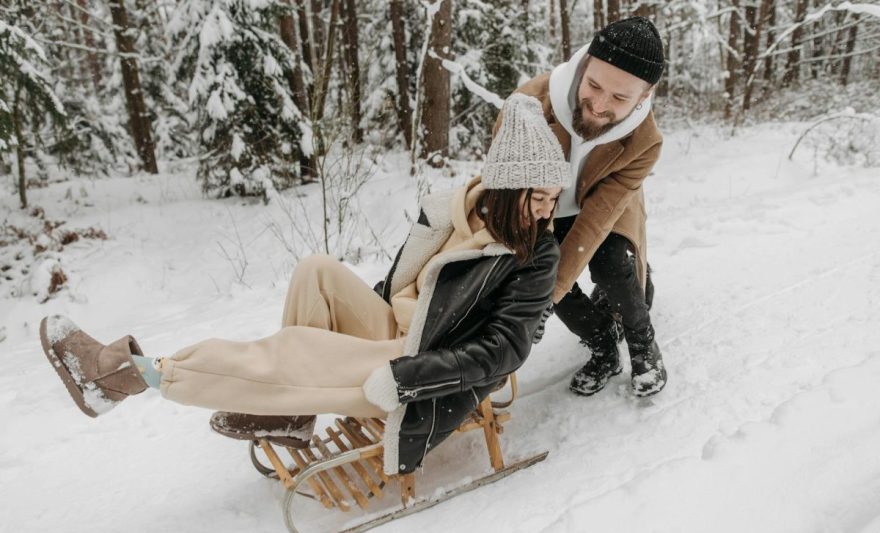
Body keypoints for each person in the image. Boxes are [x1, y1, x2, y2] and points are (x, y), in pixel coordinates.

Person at [38, 93, 569, 477]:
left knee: (292, 348)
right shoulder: (459, 211)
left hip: (422, 359)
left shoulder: (536, 252)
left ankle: (123, 376)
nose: (547, 211)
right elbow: (405, 283)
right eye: (536, 197)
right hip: (399, 323)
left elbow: (504, 350)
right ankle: (291, 406)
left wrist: (406, 377)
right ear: (502, 188)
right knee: (317, 269)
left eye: (552, 198)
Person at [499, 16, 668, 397]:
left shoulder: (646, 142)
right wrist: (540, 294)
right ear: (584, 64)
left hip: (604, 202)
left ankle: (642, 343)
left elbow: (596, 221)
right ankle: (604, 345)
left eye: (620, 98)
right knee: (542, 267)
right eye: (593, 85)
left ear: (644, 96)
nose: (599, 105)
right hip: (544, 204)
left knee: (611, 262)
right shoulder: (526, 107)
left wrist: (550, 293)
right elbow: (511, 200)